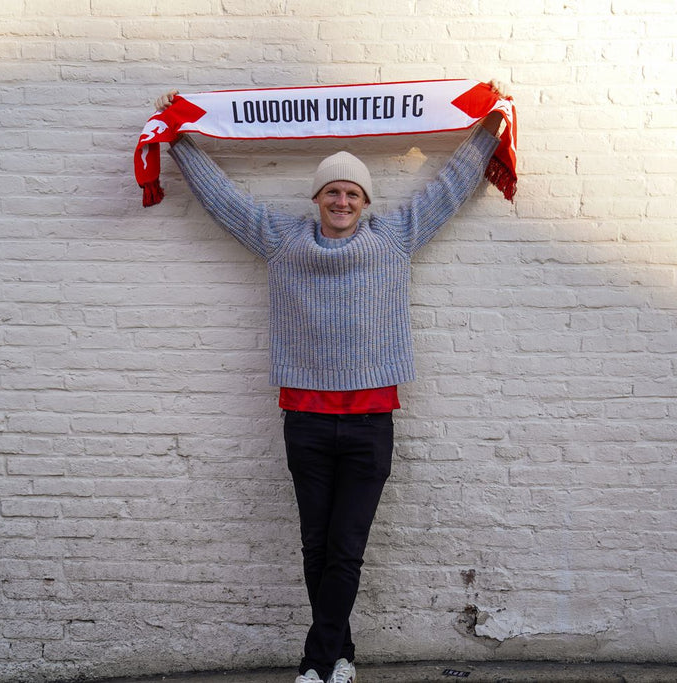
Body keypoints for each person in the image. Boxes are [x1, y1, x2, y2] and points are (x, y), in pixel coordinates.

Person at [154, 83, 508, 683]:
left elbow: (449, 188)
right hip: (307, 422)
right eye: (331, 192)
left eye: (352, 193)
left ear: (365, 201)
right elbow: (223, 199)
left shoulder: (392, 239)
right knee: (315, 548)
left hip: (370, 424)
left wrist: (492, 128)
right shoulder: (283, 240)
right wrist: (178, 139)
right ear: (317, 198)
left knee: (345, 548)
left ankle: (314, 663)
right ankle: (340, 660)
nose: (341, 201)